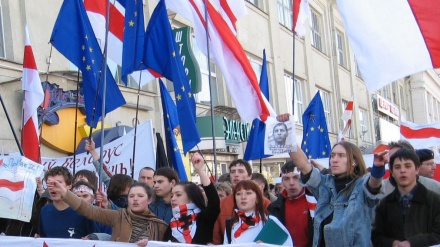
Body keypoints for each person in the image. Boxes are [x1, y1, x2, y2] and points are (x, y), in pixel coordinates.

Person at [281, 109, 388, 247]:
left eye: (341, 156)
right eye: (332, 155)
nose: (334, 160)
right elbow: (302, 165)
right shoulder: (325, 183)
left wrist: (378, 168)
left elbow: (373, 186)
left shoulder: (361, 184)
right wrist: (288, 132)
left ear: (354, 161)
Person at [48, 181, 167, 246]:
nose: (135, 199)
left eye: (140, 196)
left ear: (149, 200)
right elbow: (88, 210)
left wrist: (150, 244)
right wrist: (65, 193)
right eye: (131, 196)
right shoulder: (117, 216)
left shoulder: (161, 226)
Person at [372, 149, 440, 247]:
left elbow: (438, 234)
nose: (402, 170)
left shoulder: (435, 200)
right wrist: (392, 243)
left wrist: (412, 243)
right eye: (397, 167)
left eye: (407, 166)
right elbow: (377, 237)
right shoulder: (384, 204)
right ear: (392, 172)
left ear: (417, 169)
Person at [163, 152, 220, 244]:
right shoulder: (172, 224)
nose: (173, 199)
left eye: (178, 195)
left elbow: (214, 201)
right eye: (172, 196)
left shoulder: (203, 218)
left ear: (191, 198)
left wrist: (200, 170)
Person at [211, 159, 272, 244]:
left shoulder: (265, 203)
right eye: (232, 172)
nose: (236, 175)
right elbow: (216, 237)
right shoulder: (222, 204)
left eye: (240, 171)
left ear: (249, 176)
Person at [223, 180, 293, 245]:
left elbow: (288, 244)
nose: (243, 197)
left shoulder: (270, 221)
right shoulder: (230, 224)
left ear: (257, 198)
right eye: (238, 194)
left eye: (248, 193)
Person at [38, 166, 97, 239]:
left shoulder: (83, 211)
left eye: (58, 183)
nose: (53, 187)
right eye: (49, 183)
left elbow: (97, 239)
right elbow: (43, 239)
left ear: (69, 185)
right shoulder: (44, 211)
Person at [268, 161, 315, 247]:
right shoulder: (274, 207)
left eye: (296, 177)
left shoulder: (315, 202)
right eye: (286, 179)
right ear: (282, 181)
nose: (291, 183)